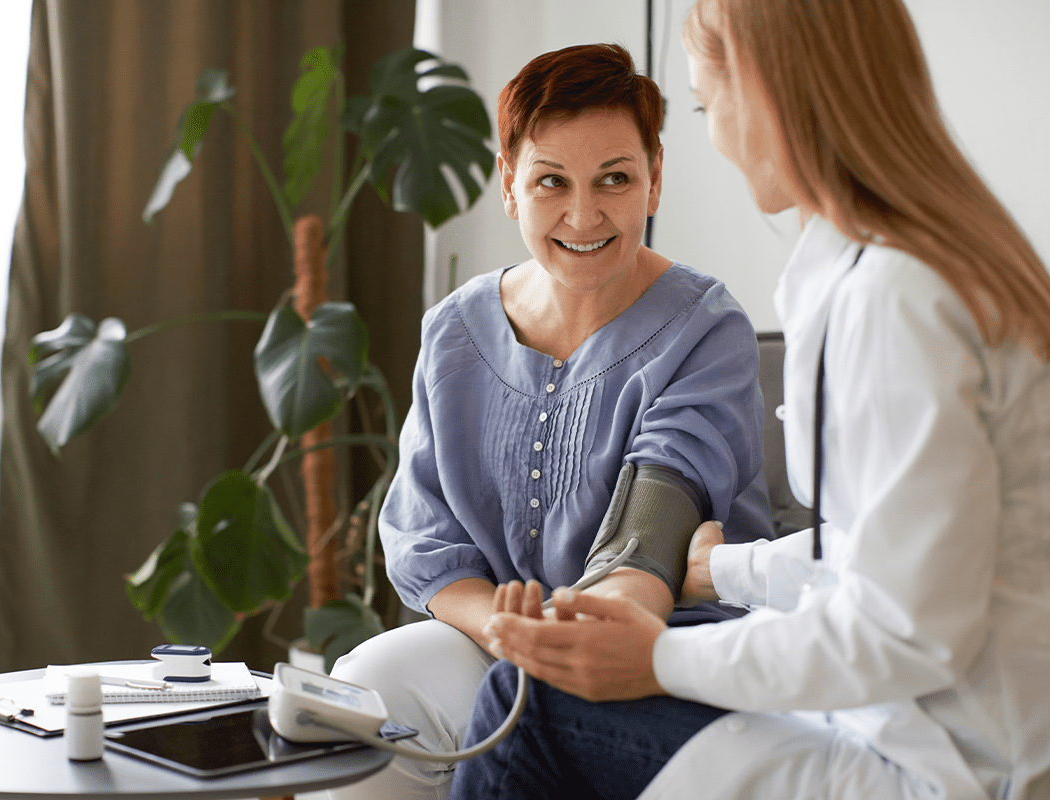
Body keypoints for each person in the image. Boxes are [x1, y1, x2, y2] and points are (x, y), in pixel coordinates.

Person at [448, 1, 1050, 798]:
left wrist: (655, 656)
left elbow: (910, 628)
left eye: (708, 105)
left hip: (956, 764)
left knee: (527, 707)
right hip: (990, 728)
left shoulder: (894, 297)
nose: (721, 140)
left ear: (768, 91)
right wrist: (729, 570)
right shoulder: (921, 256)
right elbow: (905, 552)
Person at [323, 42, 773, 800]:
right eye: (551, 181)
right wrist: (502, 627)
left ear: (655, 178)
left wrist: (579, 638)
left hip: (659, 641)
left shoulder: (706, 326)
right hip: (496, 639)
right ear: (509, 184)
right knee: (364, 692)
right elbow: (427, 537)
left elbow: (657, 517)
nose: (583, 213)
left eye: (615, 180)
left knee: (532, 702)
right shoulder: (456, 331)